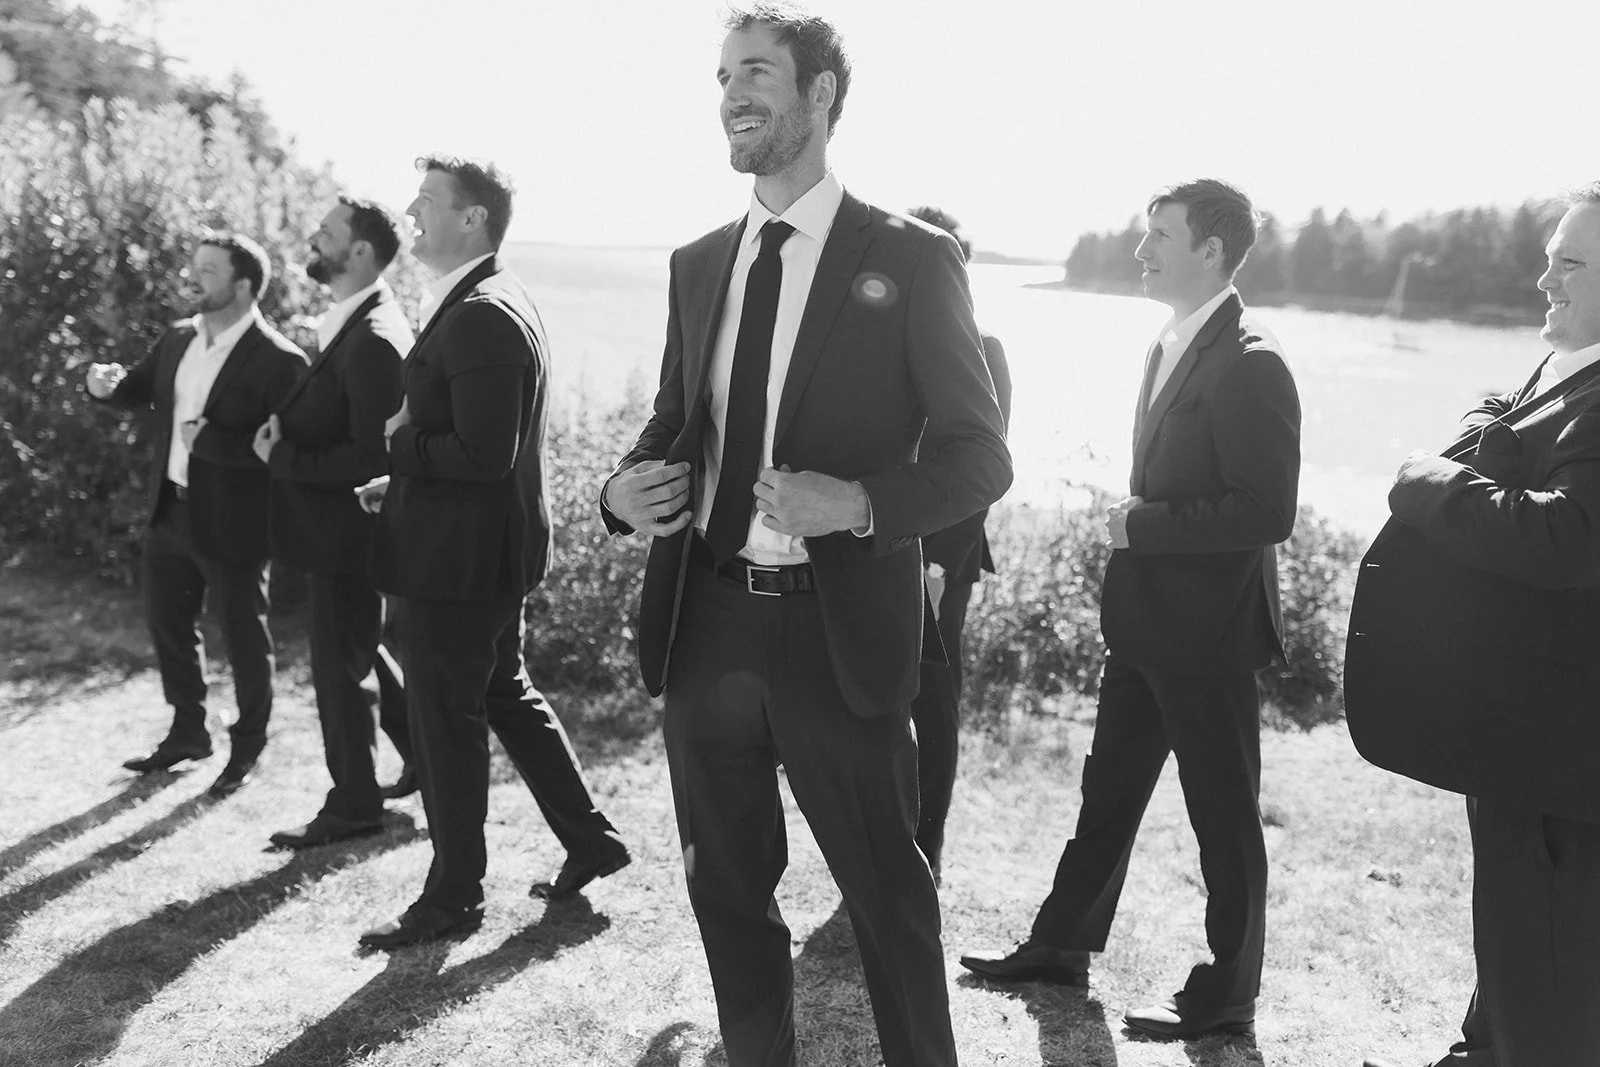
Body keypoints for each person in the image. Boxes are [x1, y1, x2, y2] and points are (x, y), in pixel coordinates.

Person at [600, 8, 1011, 1065]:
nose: (731, 94)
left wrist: (859, 502)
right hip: (707, 625)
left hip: (839, 636)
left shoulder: (912, 257)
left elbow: (980, 457)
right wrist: (620, 490)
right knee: (727, 894)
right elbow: (672, 421)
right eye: (722, 76)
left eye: (756, 72)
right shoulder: (698, 262)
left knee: (888, 902)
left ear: (820, 93)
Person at [960, 179, 1300, 1041]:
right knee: (1106, 792)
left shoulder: (1253, 361)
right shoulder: (1170, 341)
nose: (1142, 250)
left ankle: (1227, 996)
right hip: (1146, 622)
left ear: (1212, 252)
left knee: (1223, 817)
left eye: (1160, 236)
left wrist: (1138, 526)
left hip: (1209, 635)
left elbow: (1266, 512)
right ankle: (1060, 945)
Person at [1349, 184, 1600, 1067]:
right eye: (1549, 258)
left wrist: (1429, 480)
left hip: (1565, 749)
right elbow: (1503, 414)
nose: (1544, 279)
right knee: (1513, 928)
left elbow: (1570, 538)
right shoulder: (1571, 368)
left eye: (1570, 263)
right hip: (1528, 731)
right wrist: (1484, 433)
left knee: (1550, 965)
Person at [356, 155, 628, 950]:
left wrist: (401, 446)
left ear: (472, 217)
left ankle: (453, 897)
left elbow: (483, 454)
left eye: (427, 201)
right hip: (477, 545)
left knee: (445, 720)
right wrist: (402, 479)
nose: (411, 212)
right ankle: (592, 839)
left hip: (460, 563)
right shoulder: (485, 297)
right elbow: (479, 445)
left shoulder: (482, 312)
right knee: (504, 691)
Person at [87, 233, 308, 798]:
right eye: (195, 268)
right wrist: (106, 386)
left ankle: (248, 745)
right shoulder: (178, 338)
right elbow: (138, 389)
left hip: (235, 523)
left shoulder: (281, 361)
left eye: (207, 271)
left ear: (243, 285)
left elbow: (285, 454)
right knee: (169, 625)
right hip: (170, 509)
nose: (192, 279)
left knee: (243, 636)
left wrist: (214, 444)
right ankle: (188, 731)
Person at [257, 196, 414, 849]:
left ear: (361, 252)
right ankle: (423, 756)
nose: (313, 239)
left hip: (349, 537)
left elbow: (374, 458)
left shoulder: (373, 339)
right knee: (359, 651)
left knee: (339, 671)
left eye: (326, 232)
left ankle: (353, 804)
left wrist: (283, 456)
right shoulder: (353, 321)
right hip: (337, 533)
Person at [904, 204, 1012, 881]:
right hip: (878, 547)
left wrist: (938, 565)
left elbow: (982, 474)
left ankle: (928, 848)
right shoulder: (882, 337)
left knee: (934, 700)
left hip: (944, 556)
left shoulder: (984, 347)